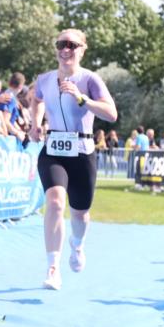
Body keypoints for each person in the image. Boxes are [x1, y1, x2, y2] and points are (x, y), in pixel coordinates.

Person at [29, 28, 117, 290]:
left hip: (82, 150)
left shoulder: (90, 79)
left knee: (80, 214)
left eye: (72, 44)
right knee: (54, 202)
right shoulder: (44, 79)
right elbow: (36, 100)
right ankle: (53, 268)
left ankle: (77, 245)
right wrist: (35, 123)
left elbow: (111, 113)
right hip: (53, 148)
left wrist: (83, 99)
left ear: (82, 49)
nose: (65, 49)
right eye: (61, 44)